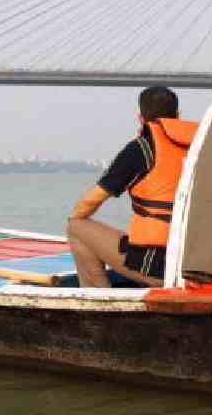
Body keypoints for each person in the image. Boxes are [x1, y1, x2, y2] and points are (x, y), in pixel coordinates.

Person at [67, 87, 198, 287]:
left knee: (76, 227)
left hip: (158, 268)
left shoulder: (141, 149)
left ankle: (99, 298)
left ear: (140, 118)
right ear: (178, 115)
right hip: (197, 266)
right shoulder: (201, 148)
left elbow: (90, 202)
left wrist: (75, 217)